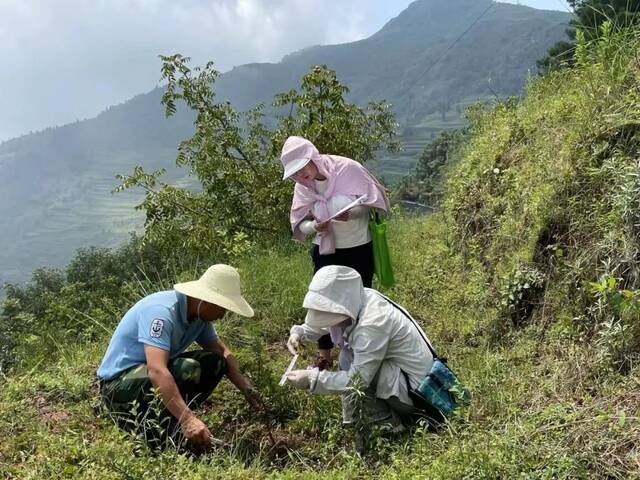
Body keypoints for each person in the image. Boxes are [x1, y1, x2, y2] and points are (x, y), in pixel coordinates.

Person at [97, 264, 262, 449]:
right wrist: (188, 419)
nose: (222, 315)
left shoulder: (198, 316)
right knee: (187, 369)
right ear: (207, 301)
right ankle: (156, 428)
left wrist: (244, 385)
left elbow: (222, 352)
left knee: (215, 362)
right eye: (222, 308)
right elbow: (157, 370)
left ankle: (169, 419)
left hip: (146, 377)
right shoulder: (161, 313)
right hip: (118, 384)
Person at [280, 136, 390, 369]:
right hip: (325, 250)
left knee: (360, 298)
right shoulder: (302, 188)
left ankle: (362, 350)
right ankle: (324, 354)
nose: (301, 176)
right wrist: (314, 226)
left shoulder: (347, 169)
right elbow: (300, 224)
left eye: (302, 168)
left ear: (313, 158)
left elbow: (371, 202)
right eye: (295, 173)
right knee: (323, 300)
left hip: (358, 246)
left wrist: (351, 214)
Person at [284, 265, 436, 430]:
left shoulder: (372, 324)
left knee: (348, 359)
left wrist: (312, 379)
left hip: (420, 395)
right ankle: (366, 420)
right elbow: (326, 320)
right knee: (347, 357)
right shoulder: (359, 298)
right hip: (404, 380)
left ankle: (386, 425)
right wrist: (299, 333)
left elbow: (357, 380)